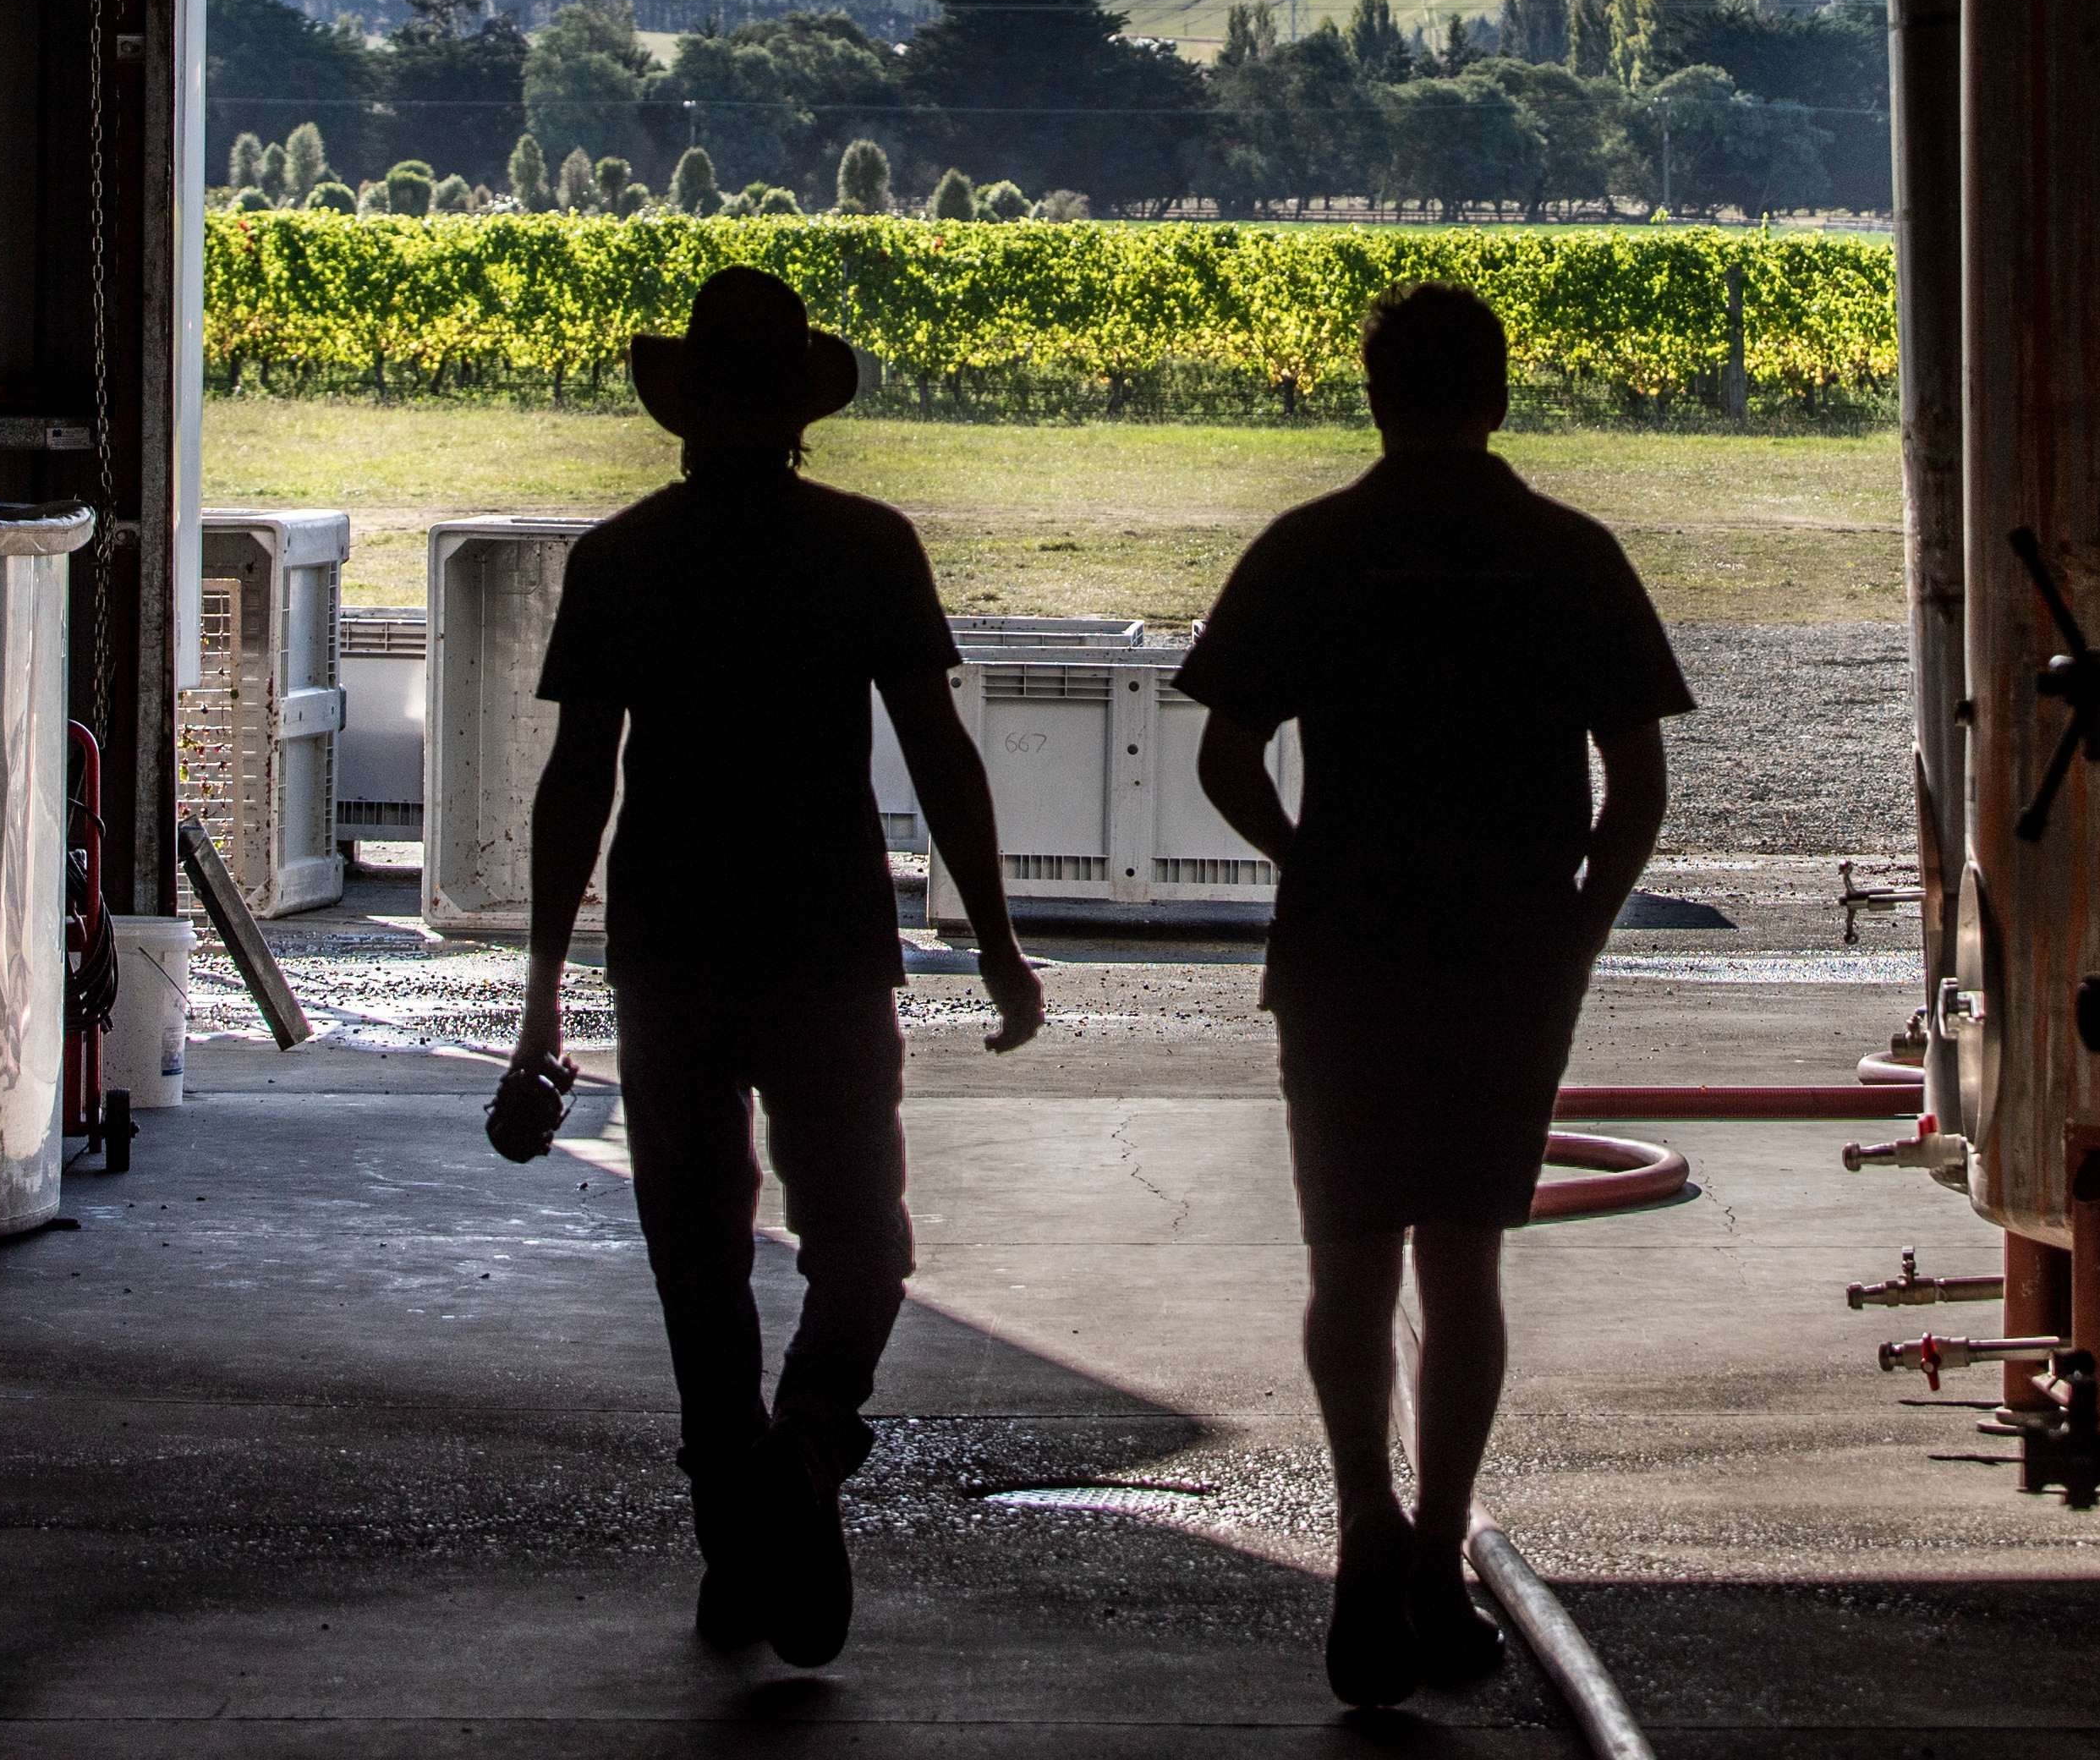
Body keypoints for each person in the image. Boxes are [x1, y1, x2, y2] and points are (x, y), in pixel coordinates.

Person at [507, 265, 1047, 1670]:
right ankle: (802, 1451)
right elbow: (940, 754)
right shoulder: (867, 548)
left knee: (696, 1253)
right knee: (867, 1240)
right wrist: (992, 942)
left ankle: (737, 1521)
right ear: (803, 414)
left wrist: (540, 1001)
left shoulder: (620, 560)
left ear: (682, 411)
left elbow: (579, 786)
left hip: (672, 953)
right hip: (827, 948)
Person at [1180, 280, 1692, 1706]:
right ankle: (1436, 1557)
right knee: (1464, 1261)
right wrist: (1577, 933)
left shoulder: (1310, 549)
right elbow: (1637, 786)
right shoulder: (1568, 554)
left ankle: (1360, 1536)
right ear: (1501, 393)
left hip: (1344, 951)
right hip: (1507, 952)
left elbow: (1225, 756)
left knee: (1350, 1264)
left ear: (1372, 393)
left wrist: (1308, 861)